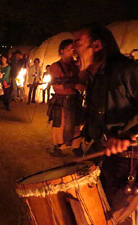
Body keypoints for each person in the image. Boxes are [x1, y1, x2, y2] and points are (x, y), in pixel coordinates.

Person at [73, 24, 138, 225]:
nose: (72, 48)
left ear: (97, 46)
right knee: (95, 210)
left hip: (130, 163)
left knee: (117, 218)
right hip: (105, 158)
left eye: (78, 43)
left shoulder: (126, 71)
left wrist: (128, 136)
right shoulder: (95, 77)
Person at [48, 39, 85, 157]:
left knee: (76, 125)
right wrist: (73, 85)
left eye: (74, 49)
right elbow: (56, 86)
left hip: (75, 100)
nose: (73, 51)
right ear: (62, 51)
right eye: (70, 49)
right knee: (60, 126)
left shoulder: (77, 65)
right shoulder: (55, 66)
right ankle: (58, 147)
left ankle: (76, 146)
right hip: (61, 101)